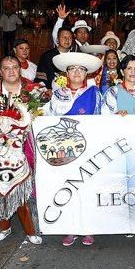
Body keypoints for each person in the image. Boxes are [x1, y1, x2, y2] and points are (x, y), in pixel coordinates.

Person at [0, 56, 43, 245]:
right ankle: (3, 227)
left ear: (20, 69)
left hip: (27, 145)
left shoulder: (34, 90)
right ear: (0, 71)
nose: (11, 71)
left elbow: (44, 114)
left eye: (14, 67)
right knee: (0, 186)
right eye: (6, 68)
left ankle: (32, 228)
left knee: (25, 188)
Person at [45, 51, 103, 246]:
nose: (77, 72)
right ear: (66, 73)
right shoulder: (57, 95)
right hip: (63, 150)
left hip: (87, 149)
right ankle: (69, 227)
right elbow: (49, 120)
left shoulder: (95, 94)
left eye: (81, 69)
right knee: (66, 188)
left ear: (87, 73)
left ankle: (88, 227)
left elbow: (103, 119)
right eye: (72, 69)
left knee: (86, 188)